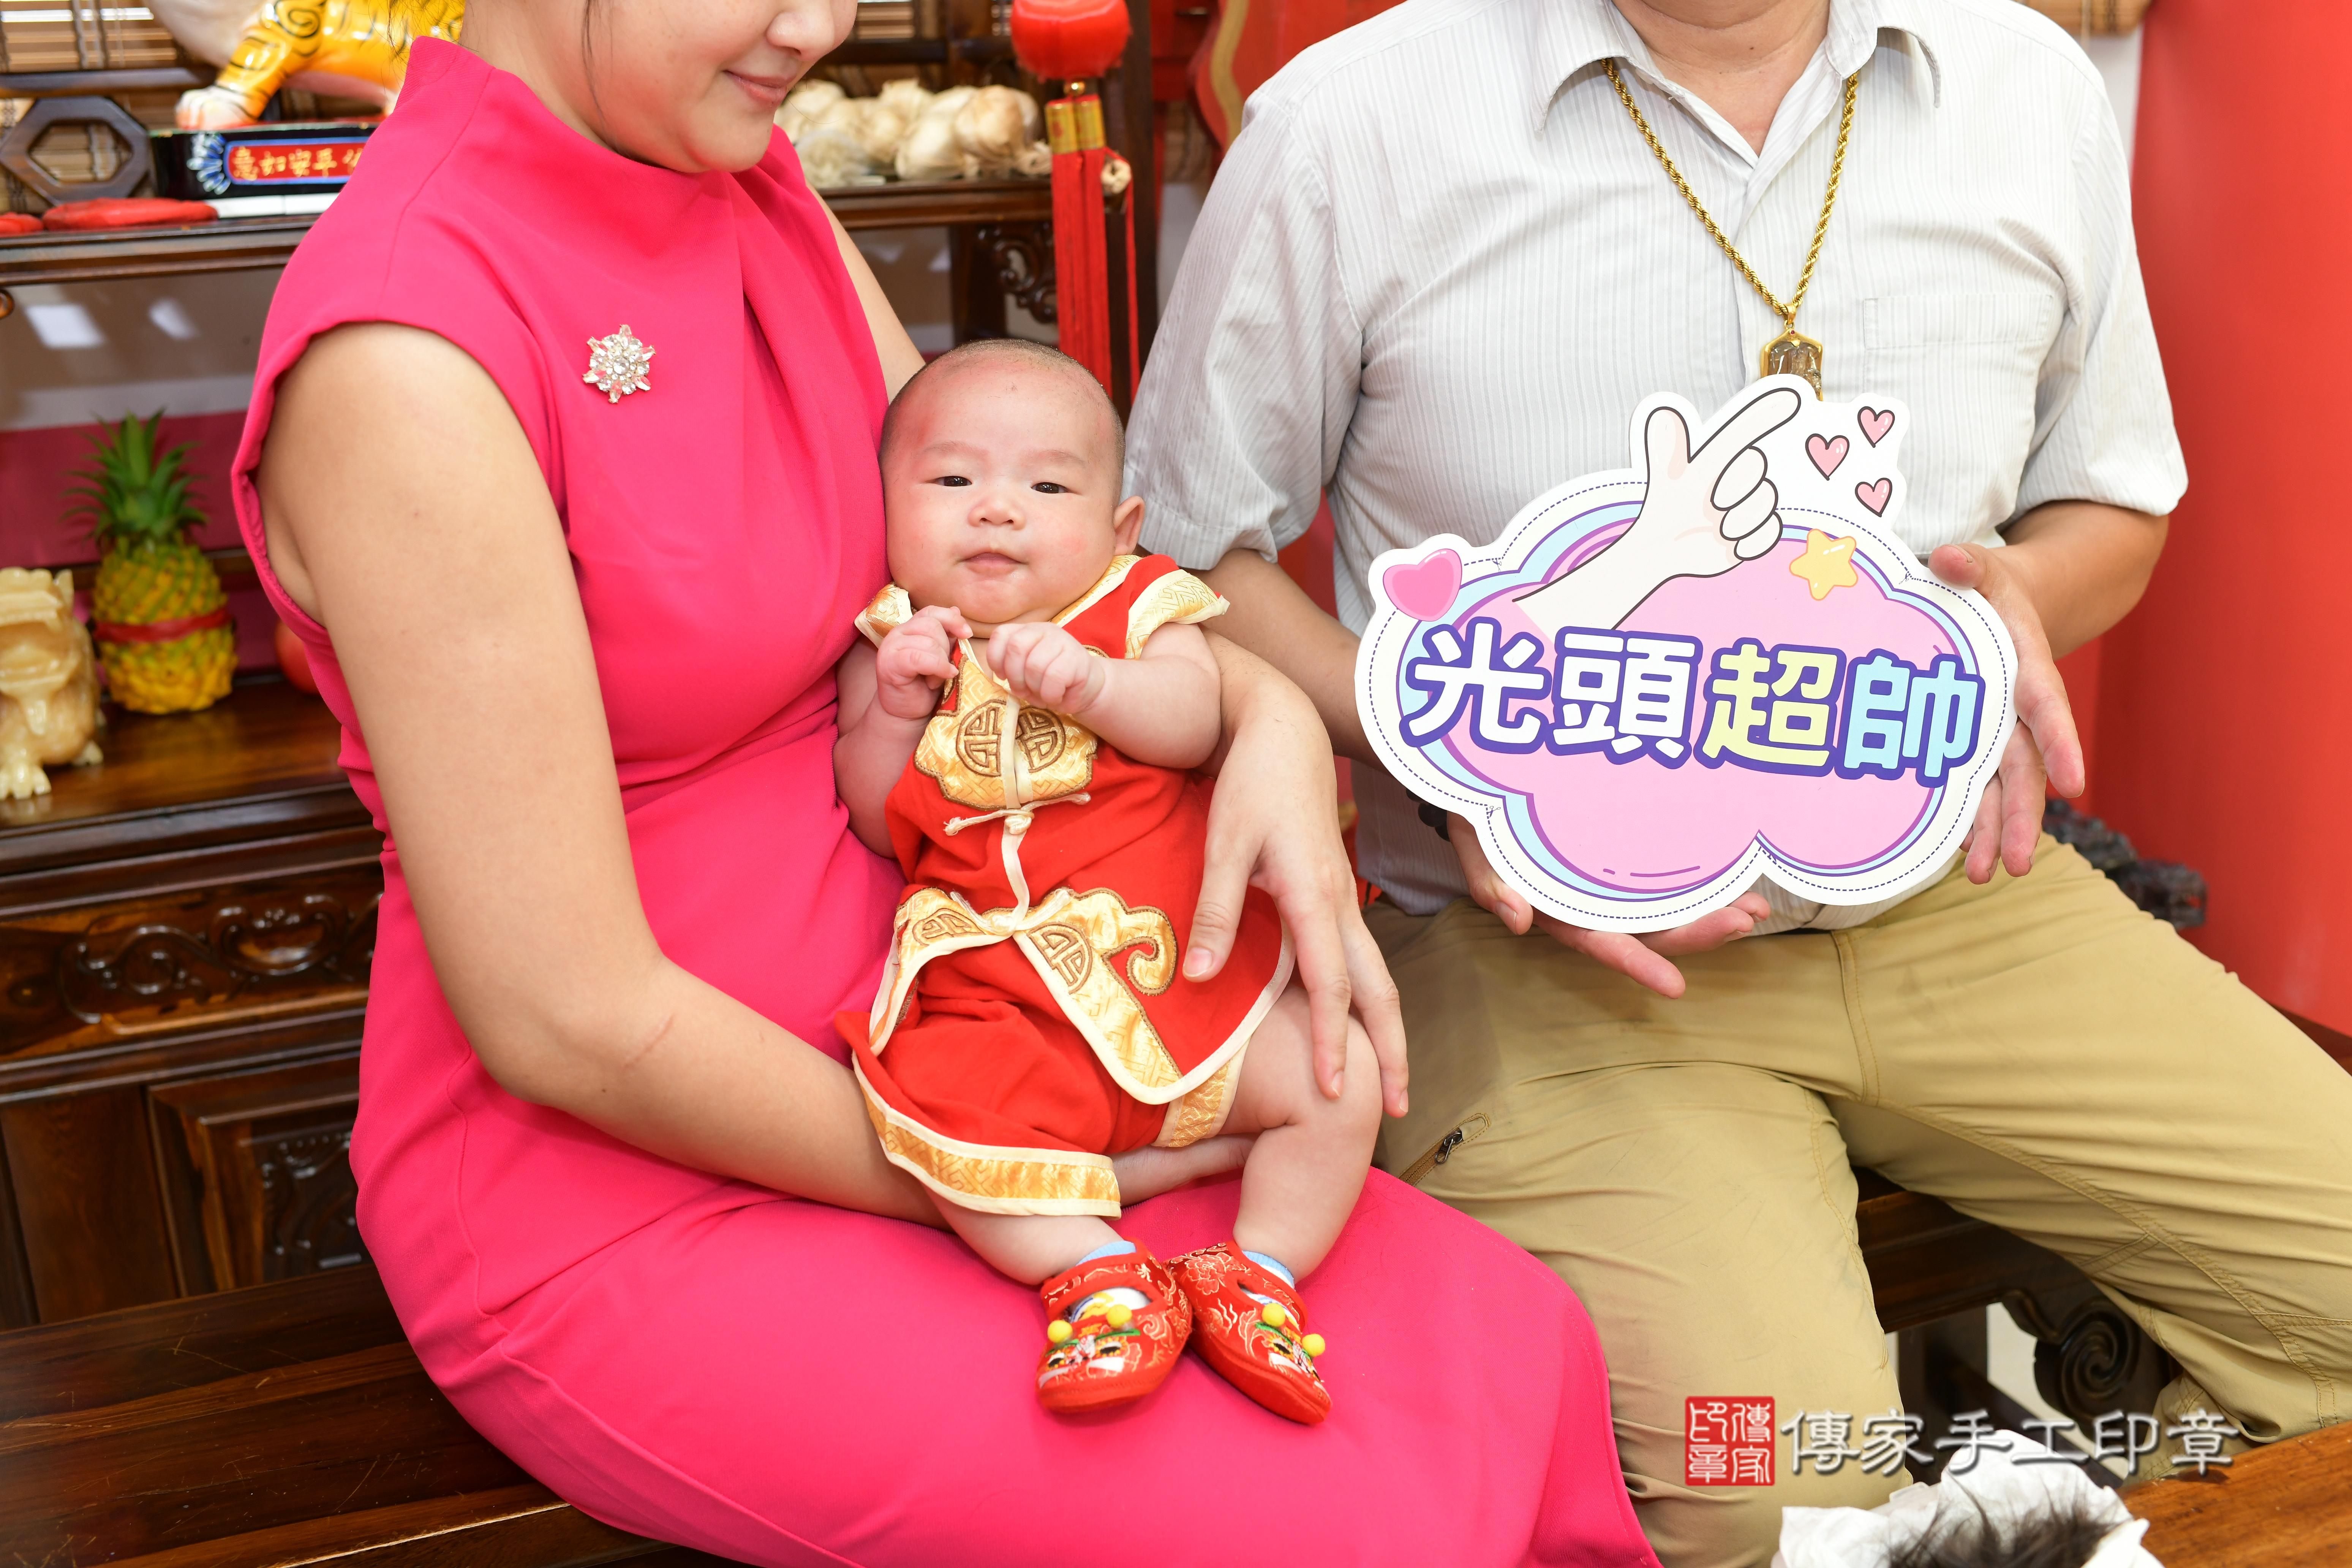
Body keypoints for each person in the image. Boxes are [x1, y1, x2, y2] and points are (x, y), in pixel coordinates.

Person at [228, 2, 1660, 1564]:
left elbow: (1025, 577)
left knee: (1513, 1344)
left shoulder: (737, 165)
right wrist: (1052, 1164)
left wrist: (1252, 710)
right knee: (1328, 1515)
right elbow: (570, 1020)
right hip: (671, 1172)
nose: (820, 27)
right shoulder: (407, 355)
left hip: (999, 1022)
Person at [1129, 0, 2352, 1562]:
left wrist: (2012, 602)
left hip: (1960, 904)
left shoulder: (2021, 83)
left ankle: (2116, 1493)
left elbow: (2114, 496)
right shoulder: (1354, 119)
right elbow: (1187, 555)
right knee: (1781, 1493)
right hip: (1539, 952)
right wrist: (1453, 763)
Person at [835, 339, 1378, 1423]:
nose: (997, 512)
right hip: (999, 990)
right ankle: (1094, 1273)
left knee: (1338, 1078)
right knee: (937, 1117)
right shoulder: (898, 639)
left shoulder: (1139, 609)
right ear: (885, 511)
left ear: (1120, 528)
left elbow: (1188, 725)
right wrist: (893, 705)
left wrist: (1096, 683)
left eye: (1046, 485)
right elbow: (875, 813)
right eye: (952, 482)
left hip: (1178, 963)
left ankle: (1259, 1270)